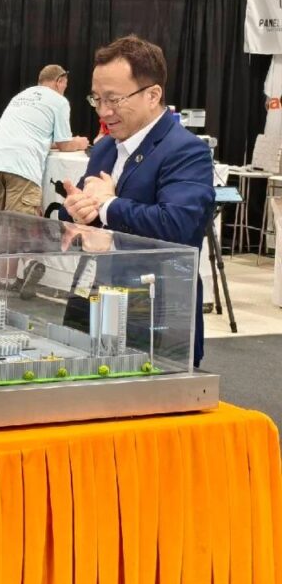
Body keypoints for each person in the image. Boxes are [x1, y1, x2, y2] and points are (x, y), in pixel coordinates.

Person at [59, 35, 214, 365]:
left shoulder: (186, 151)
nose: (104, 111)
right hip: (94, 309)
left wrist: (107, 205)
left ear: (152, 95)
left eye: (114, 99)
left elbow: (177, 225)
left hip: (156, 319)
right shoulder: (104, 148)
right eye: (97, 98)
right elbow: (89, 216)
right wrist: (75, 213)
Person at [0, 64, 90, 296]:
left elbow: (35, 134)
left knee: (6, 223)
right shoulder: (58, 101)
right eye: (65, 84)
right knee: (22, 222)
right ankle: (31, 262)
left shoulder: (21, 96)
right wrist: (81, 142)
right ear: (59, 81)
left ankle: (5, 281)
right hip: (23, 165)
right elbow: (64, 144)